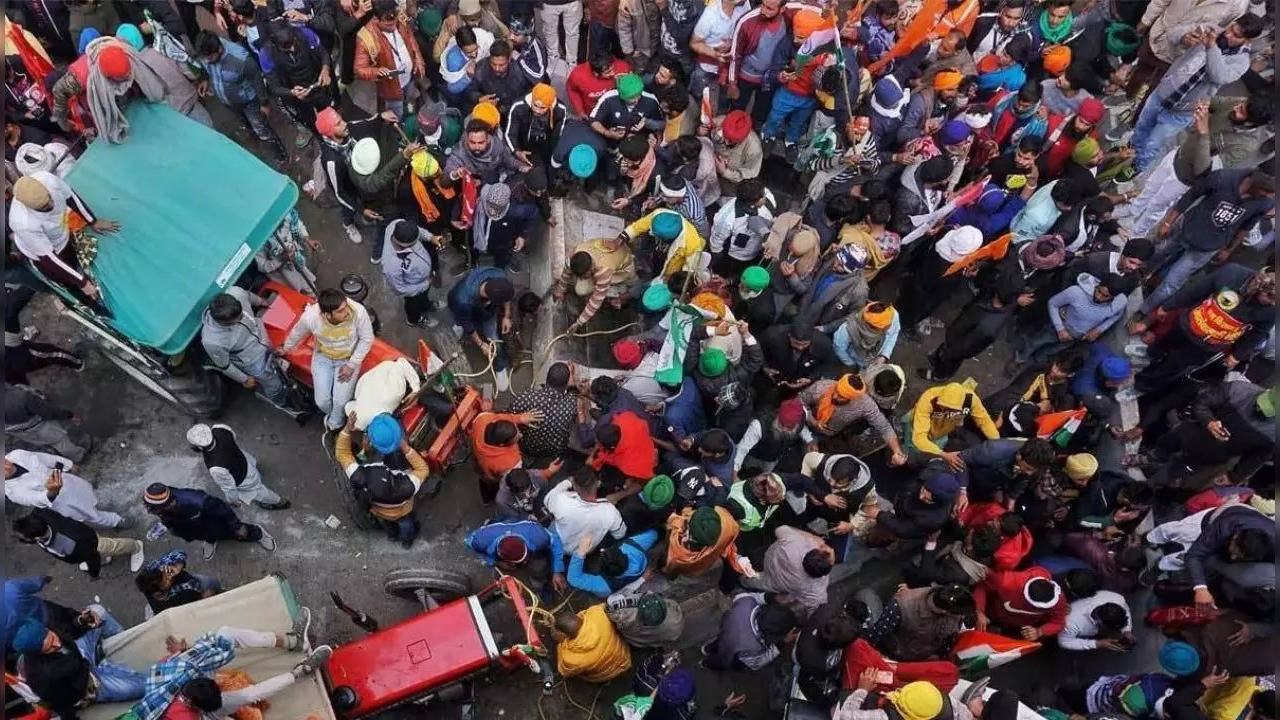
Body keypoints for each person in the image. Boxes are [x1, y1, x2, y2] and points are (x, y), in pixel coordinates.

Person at [1130, 15, 1262, 172]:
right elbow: (1173, 34)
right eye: (1231, 28)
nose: (1228, 34)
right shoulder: (1211, 29)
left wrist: (1211, 47)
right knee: (1142, 125)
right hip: (1163, 92)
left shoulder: (1241, 62)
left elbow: (1219, 75)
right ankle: (1129, 152)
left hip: (1182, 111)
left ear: (1247, 41)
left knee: (1154, 142)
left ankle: (1138, 167)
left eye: (1236, 35)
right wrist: (1185, 37)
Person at [13, 605, 147, 716]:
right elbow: (61, 704)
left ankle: (120, 637)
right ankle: (102, 662)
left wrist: (81, 621)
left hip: (79, 655)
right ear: (38, 654)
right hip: (87, 683)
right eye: (49, 648)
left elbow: (68, 629)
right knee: (143, 686)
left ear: (46, 629)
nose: (57, 644)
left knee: (98, 611)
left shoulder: (47, 626)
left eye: (53, 638)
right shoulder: (45, 677)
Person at [9, 172, 118, 302]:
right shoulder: (23, 223)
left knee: (74, 261)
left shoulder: (48, 180)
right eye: (44, 207)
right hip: (46, 255)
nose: (51, 205)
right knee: (68, 281)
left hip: (62, 234)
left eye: (49, 198)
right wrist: (82, 283)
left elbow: (71, 197)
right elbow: (49, 259)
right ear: (30, 208)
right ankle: (85, 301)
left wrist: (92, 221)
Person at [281, 287, 375, 434]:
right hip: (322, 358)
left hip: (347, 359)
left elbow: (367, 339)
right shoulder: (310, 317)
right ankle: (336, 418)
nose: (347, 312)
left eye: (345, 307)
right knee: (321, 402)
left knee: (340, 401)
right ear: (326, 314)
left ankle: (334, 426)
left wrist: (351, 365)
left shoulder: (358, 312)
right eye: (340, 311)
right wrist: (285, 349)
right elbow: (297, 333)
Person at [336, 410, 430, 547]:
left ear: (371, 441)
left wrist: (348, 429)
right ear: (398, 439)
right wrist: (407, 450)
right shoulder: (405, 485)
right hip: (402, 512)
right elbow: (423, 469)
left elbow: (342, 452)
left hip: (379, 511)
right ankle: (407, 542)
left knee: (387, 523)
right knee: (406, 525)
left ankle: (392, 536)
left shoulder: (360, 474)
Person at [194, 31, 288, 160]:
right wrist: (204, 78)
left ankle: (279, 153)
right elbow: (206, 68)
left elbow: (257, 80)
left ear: (219, 50)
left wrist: (264, 103)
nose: (206, 61)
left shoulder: (240, 59)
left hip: (249, 103)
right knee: (246, 123)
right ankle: (254, 134)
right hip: (230, 103)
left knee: (260, 127)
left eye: (209, 58)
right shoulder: (207, 52)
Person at [143, 483, 275, 560]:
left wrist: (237, 526)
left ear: (167, 503)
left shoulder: (197, 501)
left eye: (154, 509)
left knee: (231, 531)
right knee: (207, 534)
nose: (151, 512)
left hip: (210, 520)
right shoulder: (160, 507)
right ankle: (211, 539)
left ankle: (258, 533)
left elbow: (223, 509)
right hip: (194, 528)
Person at [5, 449, 125, 529]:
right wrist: (52, 491)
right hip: (64, 501)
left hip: (71, 483)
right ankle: (118, 521)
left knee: (90, 494)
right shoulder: (12, 492)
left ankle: (101, 504)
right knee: (92, 515)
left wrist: (69, 464)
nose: (8, 467)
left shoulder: (17, 454)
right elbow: (37, 499)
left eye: (4, 462)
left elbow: (46, 458)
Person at [12, 509, 145, 578]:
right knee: (97, 552)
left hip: (88, 542)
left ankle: (135, 547)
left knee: (108, 547)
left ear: (35, 537)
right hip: (80, 534)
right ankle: (104, 557)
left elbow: (91, 556)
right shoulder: (39, 515)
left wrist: (94, 572)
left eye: (23, 537)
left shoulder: (66, 544)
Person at [186, 423, 290, 510]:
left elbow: (229, 487)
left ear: (200, 447)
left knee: (259, 493)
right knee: (253, 471)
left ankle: (280, 502)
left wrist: (233, 501)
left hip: (244, 479)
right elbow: (233, 438)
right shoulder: (220, 428)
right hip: (243, 460)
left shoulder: (216, 468)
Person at [447, 266, 516, 391]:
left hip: (485, 311)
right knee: (464, 322)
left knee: (494, 339)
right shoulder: (463, 300)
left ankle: (500, 367)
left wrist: (506, 316)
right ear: (491, 300)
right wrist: (481, 344)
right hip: (461, 307)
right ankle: (459, 326)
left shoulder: (500, 277)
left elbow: (507, 298)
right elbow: (469, 325)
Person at [354, 0, 425, 117]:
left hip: (410, 78)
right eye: (388, 23)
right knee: (397, 113)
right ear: (376, 19)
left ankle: (410, 110)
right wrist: (376, 72)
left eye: (395, 19)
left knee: (410, 100)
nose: (394, 25)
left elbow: (411, 39)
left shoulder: (400, 18)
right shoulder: (365, 37)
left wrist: (418, 60)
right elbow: (359, 69)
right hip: (392, 89)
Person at [866, 583, 973, 661]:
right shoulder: (902, 606)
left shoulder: (954, 607)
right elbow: (876, 634)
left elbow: (949, 636)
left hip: (930, 656)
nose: (961, 617)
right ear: (945, 611)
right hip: (900, 655)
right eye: (958, 614)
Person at [703, 592, 798, 670]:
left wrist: (773, 597)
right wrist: (781, 643)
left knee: (721, 642)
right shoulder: (753, 648)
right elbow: (756, 664)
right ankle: (706, 663)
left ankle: (707, 649)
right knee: (722, 661)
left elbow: (752, 597)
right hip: (734, 653)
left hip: (726, 632)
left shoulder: (746, 603)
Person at [5, 383, 92, 462]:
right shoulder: (21, 397)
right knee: (59, 441)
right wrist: (70, 415)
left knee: (40, 440)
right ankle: (79, 456)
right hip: (38, 426)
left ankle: (50, 448)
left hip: (16, 430)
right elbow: (49, 412)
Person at [974, 566, 1067, 640]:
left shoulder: (1058, 599)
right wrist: (979, 611)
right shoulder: (1007, 582)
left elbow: (1058, 623)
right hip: (991, 615)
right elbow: (983, 586)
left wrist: (1040, 631)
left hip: (1019, 629)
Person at [380, 217, 440, 328]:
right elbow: (400, 290)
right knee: (413, 304)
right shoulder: (391, 266)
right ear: (406, 245)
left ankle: (425, 305)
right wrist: (425, 284)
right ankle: (414, 320)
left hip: (424, 279)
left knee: (423, 296)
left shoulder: (397, 224)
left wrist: (430, 237)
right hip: (412, 288)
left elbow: (418, 231)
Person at [553, 604, 632, 682]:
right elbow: (602, 607)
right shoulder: (596, 612)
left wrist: (560, 643)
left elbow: (564, 671)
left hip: (609, 672)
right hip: (623, 654)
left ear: (564, 634)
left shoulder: (570, 659)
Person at [133, 548, 222, 615]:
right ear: (159, 595)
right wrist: (203, 598)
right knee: (210, 583)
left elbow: (179, 552)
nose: (169, 576)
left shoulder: (155, 571)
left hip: (191, 593)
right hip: (190, 602)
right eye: (166, 580)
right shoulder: (185, 588)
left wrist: (178, 565)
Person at [1058, 588, 1133, 651]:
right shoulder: (1070, 623)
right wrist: (1096, 644)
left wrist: (1127, 630)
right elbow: (1064, 641)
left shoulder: (1118, 599)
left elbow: (1125, 610)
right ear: (1100, 623)